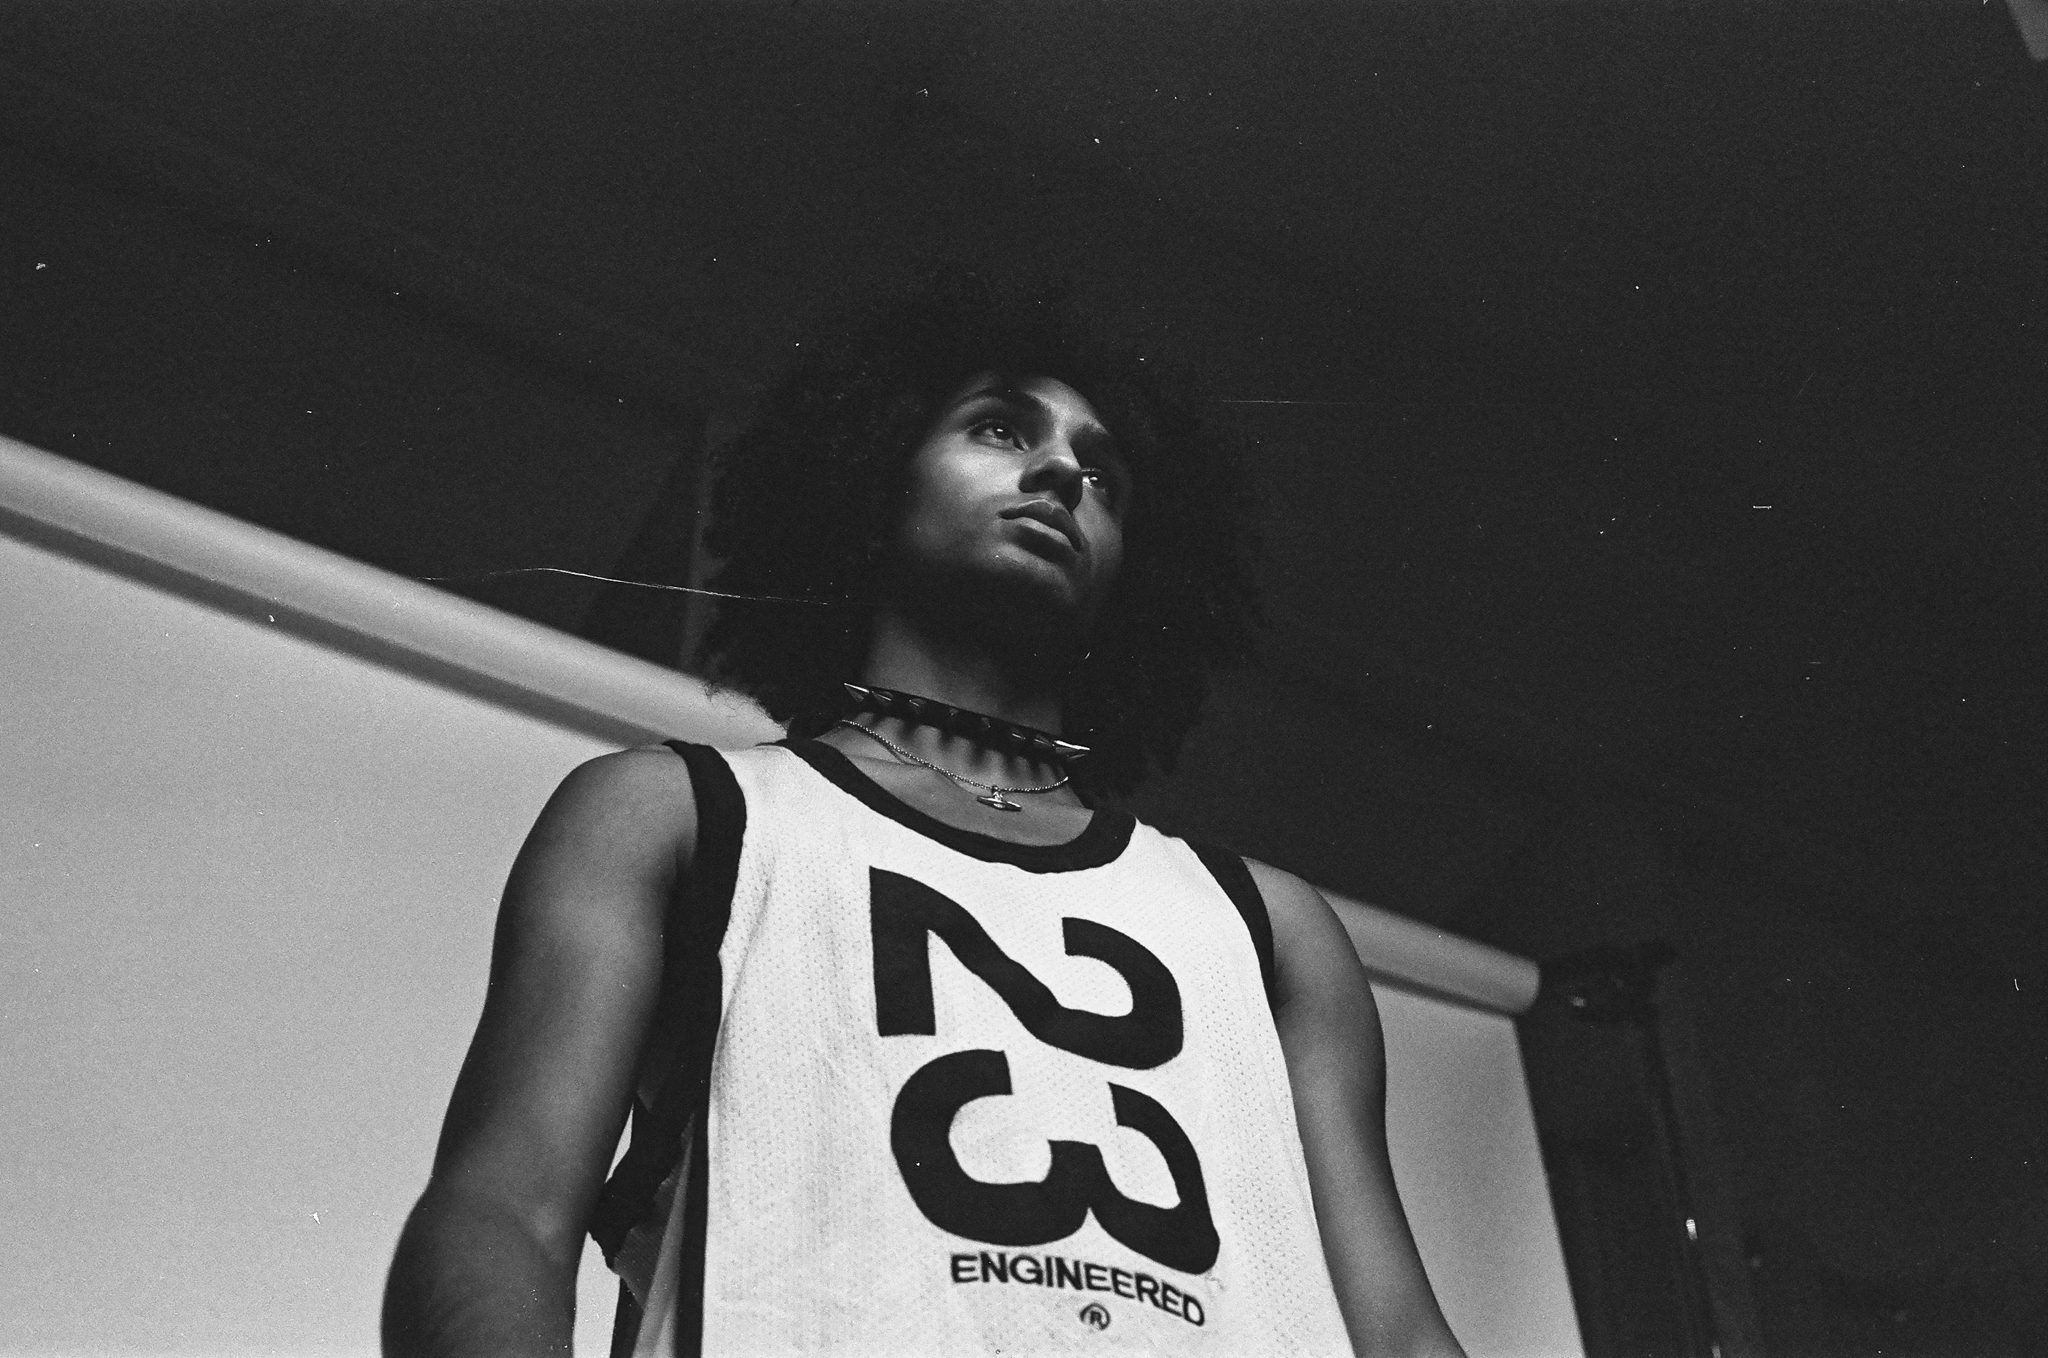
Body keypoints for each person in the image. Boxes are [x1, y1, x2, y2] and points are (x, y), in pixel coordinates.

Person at [382, 279, 1465, 1357]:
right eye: (1000, 428)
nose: (1062, 473)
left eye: (1104, 477)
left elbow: (1401, 1337)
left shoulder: (1265, 925)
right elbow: (502, 1216)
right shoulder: (671, 814)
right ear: (871, 475)